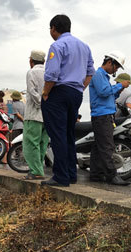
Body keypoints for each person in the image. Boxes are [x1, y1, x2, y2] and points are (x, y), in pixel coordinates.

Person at [41, 14, 95, 187]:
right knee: (68, 134)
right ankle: (71, 174)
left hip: (58, 92)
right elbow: (90, 72)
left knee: (57, 134)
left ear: (54, 28)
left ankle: (60, 176)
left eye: (50, 29)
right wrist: (80, 88)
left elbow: (52, 74)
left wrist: (45, 92)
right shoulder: (84, 46)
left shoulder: (57, 45)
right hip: (75, 93)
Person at [88, 51, 131, 186]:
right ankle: (112, 176)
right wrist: (119, 85)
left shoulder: (103, 76)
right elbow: (103, 92)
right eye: (116, 67)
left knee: (98, 146)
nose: (116, 70)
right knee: (107, 146)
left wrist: (117, 90)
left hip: (103, 115)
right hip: (102, 116)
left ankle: (96, 174)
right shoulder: (99, 74)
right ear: (109, 63)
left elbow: (108, 96)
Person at [23, 50, 50, 180]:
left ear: (31, 61)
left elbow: (32, 91)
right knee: (42, 144)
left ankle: (36, 171)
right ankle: (38, 169)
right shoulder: (48, 72)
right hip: (47, 116)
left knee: (30, 143)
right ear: (44, 61)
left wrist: (40, 103)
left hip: (33, 114)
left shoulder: (31, 72)